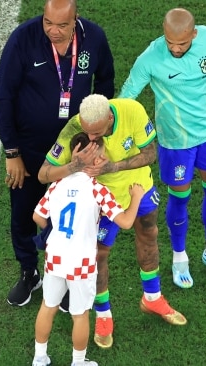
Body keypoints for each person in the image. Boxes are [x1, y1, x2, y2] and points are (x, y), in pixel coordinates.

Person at [38, 94, 187, 350]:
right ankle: (103, 315)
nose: (91, 138)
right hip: (101, 199)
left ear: (109, 118)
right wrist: (73, 166)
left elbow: (151, 153)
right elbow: (43, 174)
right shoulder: (76, 127)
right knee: (98, 254)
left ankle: (152, 297)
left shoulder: (132, 111)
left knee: (149, 234)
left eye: (96, 133)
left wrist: (113, 168)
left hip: (139, 188)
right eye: (87, 131)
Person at [0, 0, 115, 306]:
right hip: (30, 149)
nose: (54, 31)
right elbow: (3, 95)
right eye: (49, 23)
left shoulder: (94, 38)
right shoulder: (23, 38)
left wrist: (96, 133)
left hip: (76, 149)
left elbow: (106, 81)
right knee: (23, 213)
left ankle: (64, 275)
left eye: (62, 25)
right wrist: (12, 152)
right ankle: (28, 271)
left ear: (76, 19)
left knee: (73, 216)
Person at [118, 8, 206, 289]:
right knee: (180, 196)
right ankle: (179, 257)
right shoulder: (151, 58)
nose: (174, 49)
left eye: (182, 44)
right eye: (169, 42)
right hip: (175, 142)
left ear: (193, 35)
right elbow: (126, 97)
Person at [31, 132, 144, 366]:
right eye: (100, 155)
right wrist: (136, 197)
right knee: (79, 314)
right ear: (94, 159)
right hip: (81, 262)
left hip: (55, 257)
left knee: (48, 307)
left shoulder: (56, 185)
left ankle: (39, 358)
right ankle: (78, 362)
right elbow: (125, 222)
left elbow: (38, 216)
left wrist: (56, 233)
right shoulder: (98, 189)